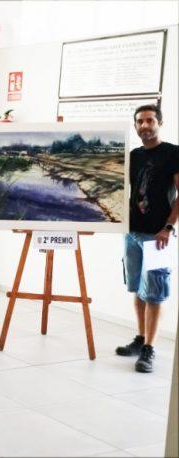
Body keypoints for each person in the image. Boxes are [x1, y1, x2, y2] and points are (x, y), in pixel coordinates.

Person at [116, 104, 179, 373]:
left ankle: (149, 349)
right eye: (140, 121)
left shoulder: (173, 153)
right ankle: (140, 338)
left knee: (154, 293)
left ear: (159, 123)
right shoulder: (133, 155)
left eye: (150, 120)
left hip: (157, 236)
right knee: (137, 290)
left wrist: (168, 227)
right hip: (132, 234)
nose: (145, 125)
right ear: (135, 126)